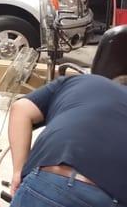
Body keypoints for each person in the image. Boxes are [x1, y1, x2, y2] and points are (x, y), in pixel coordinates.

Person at [8, 74, 127, 207]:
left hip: (53, 181)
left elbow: (21, 108)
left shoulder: (79, 81)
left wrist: (18, 172)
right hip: (111, 198)